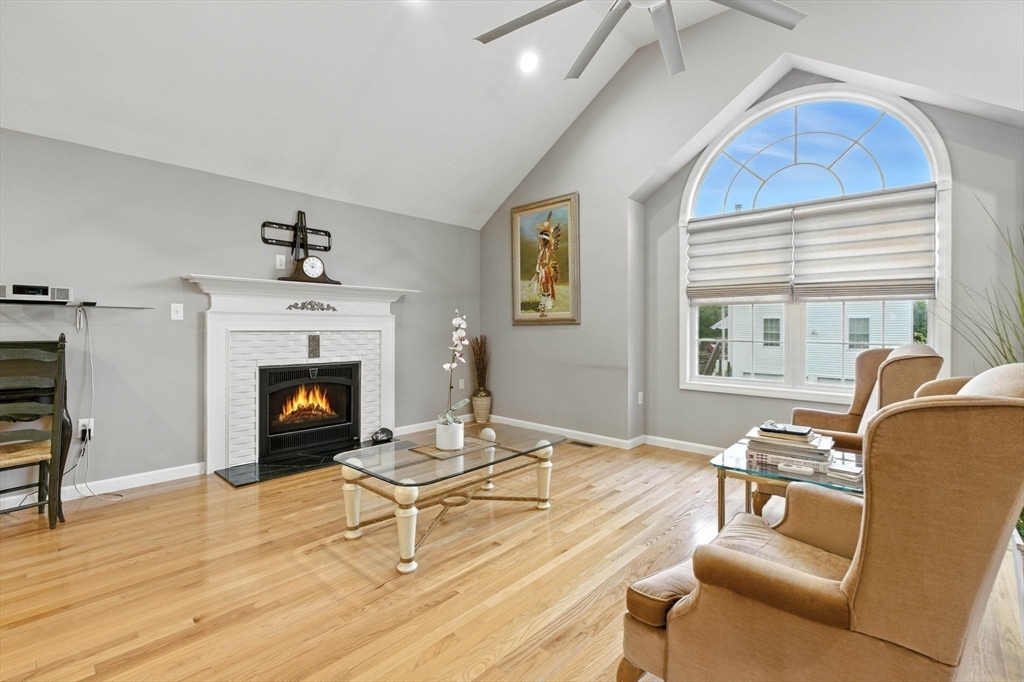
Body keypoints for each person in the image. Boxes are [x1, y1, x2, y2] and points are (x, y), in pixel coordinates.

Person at [530, 212, 562, 316]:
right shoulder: (541, 249)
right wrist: (546, 223)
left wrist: (539, 270)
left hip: (544, 269)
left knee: (545, 286)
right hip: (541, 269)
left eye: (540, 239)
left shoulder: (546, 249)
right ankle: (545, 302)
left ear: (545, 241)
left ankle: (546, 302)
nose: (539, 241)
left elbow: (543, 261)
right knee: (543, 286)